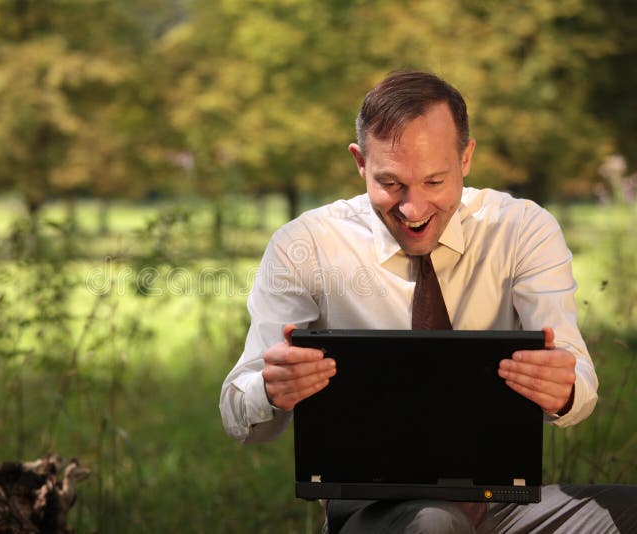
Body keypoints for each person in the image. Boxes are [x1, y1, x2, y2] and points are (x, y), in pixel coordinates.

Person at [220, 70, 637, 532]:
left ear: (467, 157)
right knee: (436, 523)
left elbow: (579, 380)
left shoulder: (523, 230)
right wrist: (271, 390)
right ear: (360, 162)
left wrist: (564, 391)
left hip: (501, 502)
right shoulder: (306, 245)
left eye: (435, 182)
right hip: (373, 511)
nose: (413, 209)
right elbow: (237, 412)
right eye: (390, 183)